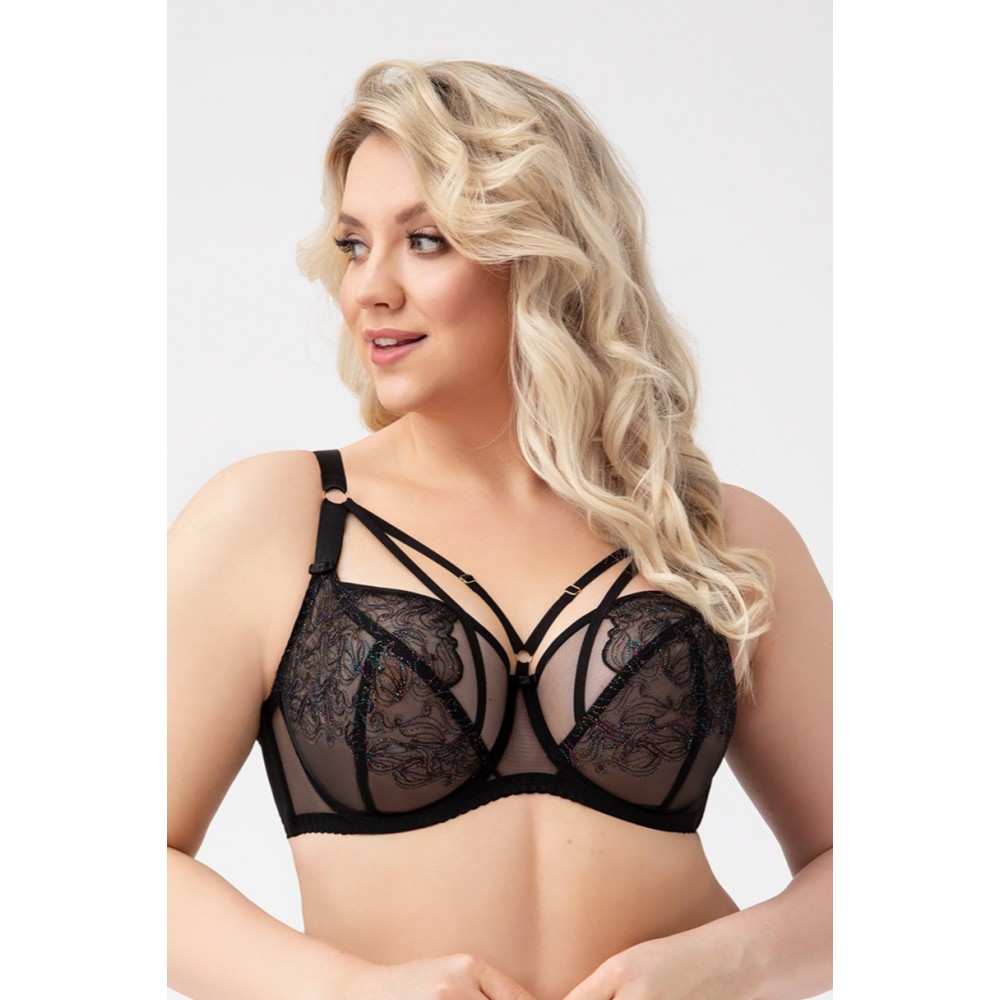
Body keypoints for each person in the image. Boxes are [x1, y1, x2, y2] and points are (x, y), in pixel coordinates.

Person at [168, 60, 831, 1000]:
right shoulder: (280, 519)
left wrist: (725, 966)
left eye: (425, 240)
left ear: (545, 254)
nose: (368, 290)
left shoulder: (714, 536)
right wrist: (352, 994)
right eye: (354, 245)